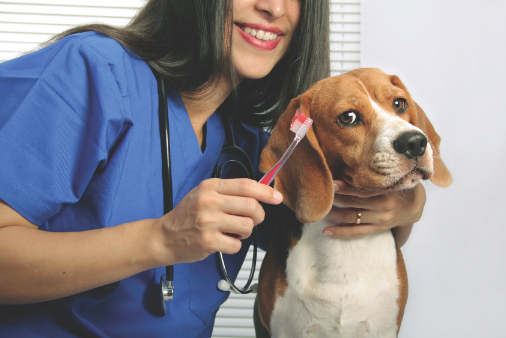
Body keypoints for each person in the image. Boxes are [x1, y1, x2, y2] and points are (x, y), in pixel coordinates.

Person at [0, 0, 426, 337]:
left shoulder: (251, 141)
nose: (274, 8)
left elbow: (322, 221)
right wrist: (160, 238)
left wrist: (407, 204)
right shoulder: (90, 71)